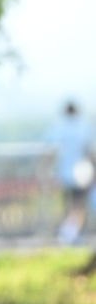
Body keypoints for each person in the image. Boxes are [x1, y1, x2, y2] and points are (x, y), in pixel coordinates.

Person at [46, 101, 95, 247]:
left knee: (69, 205)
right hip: (81, 173)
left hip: (64, 173)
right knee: (79, 206)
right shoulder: (84, 126)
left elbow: (51, 150)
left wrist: (49, 172)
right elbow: (90, 151)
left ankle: (70, 234)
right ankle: (68, 235)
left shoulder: (58, 127)